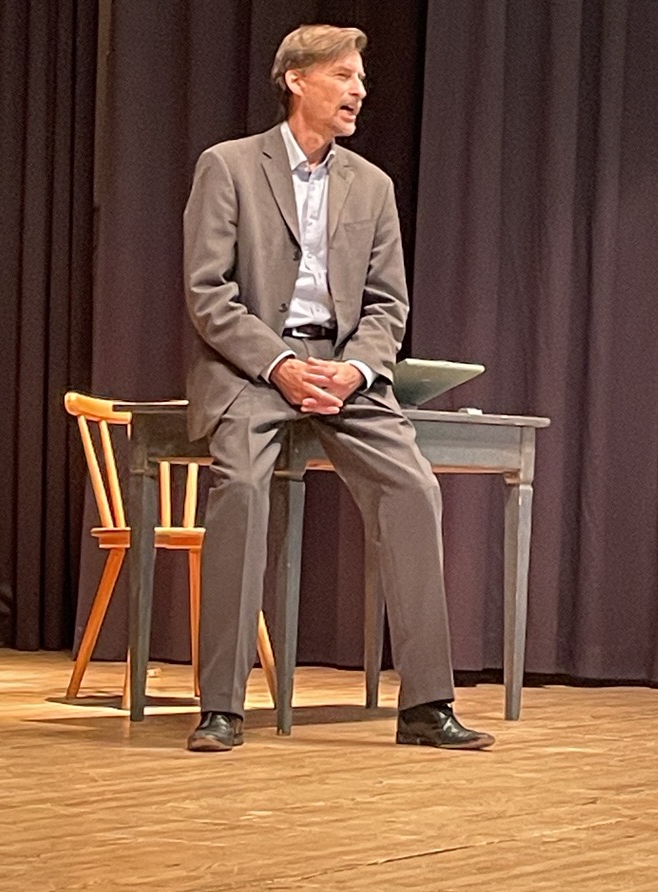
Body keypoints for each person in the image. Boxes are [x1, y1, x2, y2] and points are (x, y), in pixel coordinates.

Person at [183, 24, 494, 754]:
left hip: (345, 373)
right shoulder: (228, 166)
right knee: (242, 490)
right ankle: (221, 707)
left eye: (361, 79)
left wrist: (356, 369)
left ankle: (426, 705)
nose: (359, 91)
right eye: (344, 76)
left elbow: (388, 305)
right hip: (254, 369)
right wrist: (279, 365)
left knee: (413, 487)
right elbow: (208, 293)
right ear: (296, 80)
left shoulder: (372, 185)